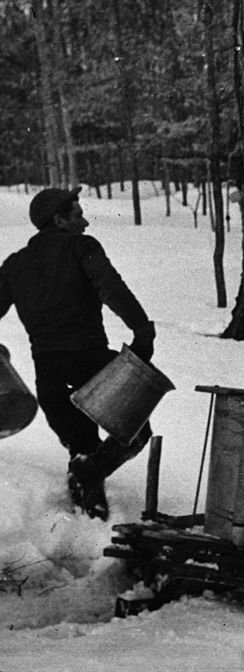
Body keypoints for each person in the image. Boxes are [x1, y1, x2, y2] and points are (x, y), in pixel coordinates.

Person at [0, 187, 157, 520]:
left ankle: (86, 530)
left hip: (50, 376)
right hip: (93, 364)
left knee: (81, 449)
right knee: (134, 430)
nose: (85, 222)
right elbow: (111, 287)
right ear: (59, 220)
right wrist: (142, 330)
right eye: (77, 215)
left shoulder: (14, 265)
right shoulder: (81, 247)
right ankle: (91, 479)